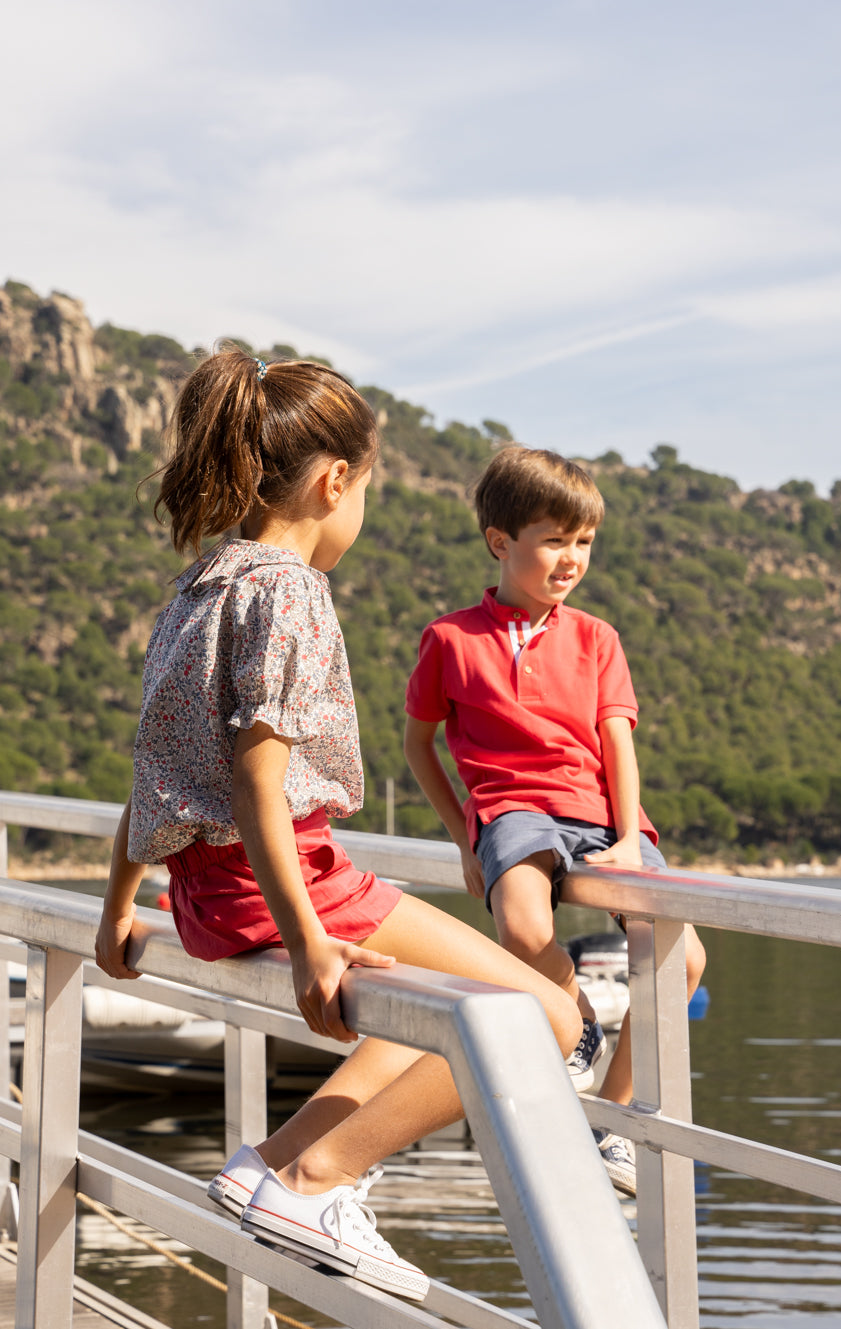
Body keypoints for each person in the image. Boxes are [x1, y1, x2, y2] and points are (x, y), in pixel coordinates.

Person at [94, 352, 581, 1302]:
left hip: (202, 892)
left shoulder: (197, 588)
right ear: (333, 482)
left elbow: (155, 766)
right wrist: (311, 941)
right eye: (367, 491)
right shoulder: (291, 592)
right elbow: (256, 783)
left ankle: (270, 1169)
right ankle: (317, 1178)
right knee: (546, 1014)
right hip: (285, 882)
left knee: (444, 1001)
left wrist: (120, 906)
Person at [404, 445, 706, 1197]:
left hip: (601, 815)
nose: (572, 558)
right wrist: (465, 838)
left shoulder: (598, 637)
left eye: (584, 541)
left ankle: (615, 1116)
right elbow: (417, 744)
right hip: (510, 808)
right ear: (500, 541)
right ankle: (577, 1019)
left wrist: (630, 838)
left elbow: (617, 741)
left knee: (683, 959)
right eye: (554, 540)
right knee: (523, 928)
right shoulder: (450, 638)